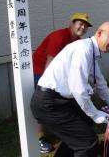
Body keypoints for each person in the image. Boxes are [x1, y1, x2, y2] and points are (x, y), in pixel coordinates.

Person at [30, 21, 109, 157]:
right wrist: (95, 113)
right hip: (49, 103)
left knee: (85, 123)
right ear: (100, 33)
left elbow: (98, 80)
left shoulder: (90, 50)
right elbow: (78, 89)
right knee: (88, 142)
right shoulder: (83, 49)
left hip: (59, 100)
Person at [33, 12, 92, 153]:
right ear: (72, 23)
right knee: (44, 104)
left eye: (86, 26)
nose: (83, 27)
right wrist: (48, 86)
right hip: (39, 71)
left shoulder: (77, 41)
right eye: (80, 23)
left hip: (55, 74)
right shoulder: (59, 37)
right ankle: (40, 138)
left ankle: (61, 129)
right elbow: (50, 62)